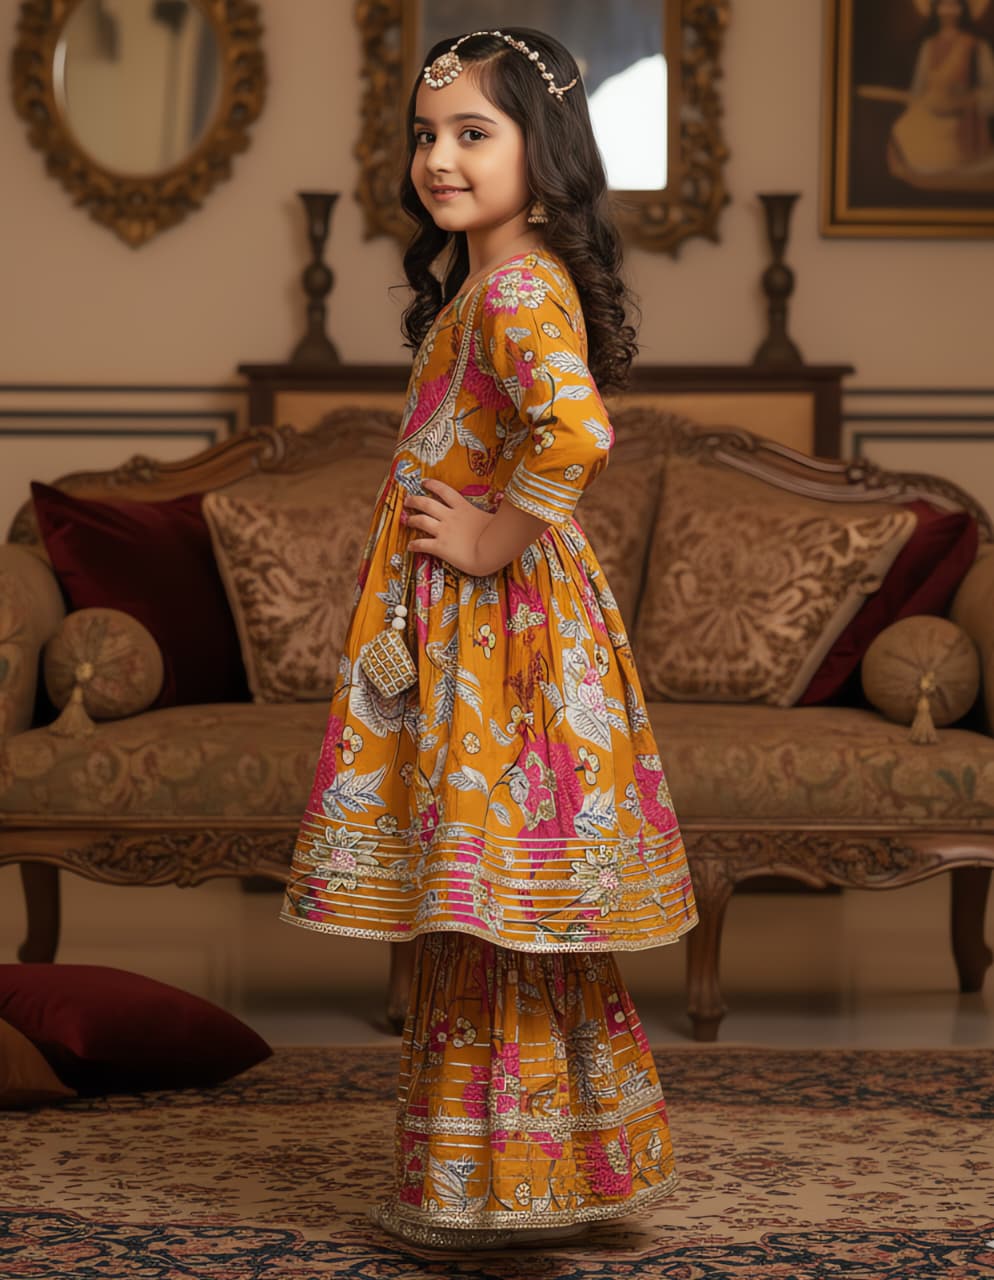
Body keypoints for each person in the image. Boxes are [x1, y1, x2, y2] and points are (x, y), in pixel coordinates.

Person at [280, 27, 697, 1250]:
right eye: (426, 133)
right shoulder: (495, 282)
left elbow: (574, 432)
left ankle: (486, 1191)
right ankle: (555, 1173)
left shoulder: (513, 288)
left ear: (541, 149)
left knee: (489, 907)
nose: (439, 157)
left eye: (474, 132)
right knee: (514, 911)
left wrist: (487, 541)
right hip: (493, 635)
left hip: (500, 640)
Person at [888, 0, 994, 188]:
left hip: (962, 124)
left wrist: (970, 99)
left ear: (963, 9)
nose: (949, 11)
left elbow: (991, 89)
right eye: (944, 5)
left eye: (954, 5)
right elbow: (918, 89)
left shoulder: (976, 46)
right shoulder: (929, 45)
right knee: (902, 133)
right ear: (936, 9)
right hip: (928, 118)